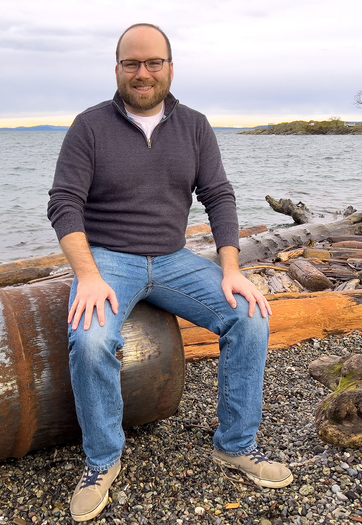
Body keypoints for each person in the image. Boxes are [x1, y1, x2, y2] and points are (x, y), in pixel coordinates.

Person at [47, 23, 293, 522]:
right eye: (132, 63)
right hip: (110, 260)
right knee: (91, 340)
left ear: (170, 67)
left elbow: (219, 195)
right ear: (117, 69)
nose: (143, 72)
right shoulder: (88, 126)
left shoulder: (195, 126)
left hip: (176, 260)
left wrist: (231, 268)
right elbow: (63, 203)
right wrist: (89, 275)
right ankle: (102, 461)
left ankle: (235, 443)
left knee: (249, 315)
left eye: (153, 62)